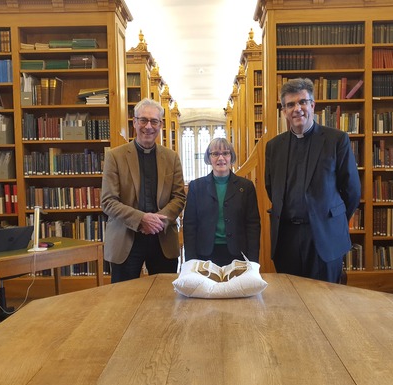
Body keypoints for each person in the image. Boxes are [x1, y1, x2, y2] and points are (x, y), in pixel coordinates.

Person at [265, 77, 361, 283]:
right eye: (290, 104)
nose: (297, 109)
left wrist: (332, 218)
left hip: (324, 235)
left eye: (302, 102)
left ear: (312, 105)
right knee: (290, 298)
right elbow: (271, 187)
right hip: (287, 237)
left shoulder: (336, 140)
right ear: (284, 111)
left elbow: (351, 190)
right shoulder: (274, 147)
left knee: (326, 301)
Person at [101, 98, 186, 283]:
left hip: (162, 237)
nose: (148, 126)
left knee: (165, 300)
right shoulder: (115, 156)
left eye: (154, 121)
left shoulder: (171, 158)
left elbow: (179, 197)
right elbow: (108, 201)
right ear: (134, 122)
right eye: (143, 120)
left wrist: (157, 222)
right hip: (126, 237)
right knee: (123, 301)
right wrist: (141, 220)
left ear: (160, 125)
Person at [183, 138, 260, 266]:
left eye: (225, 153)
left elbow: (252, 225)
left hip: (238, 254)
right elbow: (190, 225)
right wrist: (190, 261)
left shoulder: (246, 187)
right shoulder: (196, 187)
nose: (221, 158)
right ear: (209, 158)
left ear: (231, 156)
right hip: (204, 255)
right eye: (215, 154)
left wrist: (252, 261)